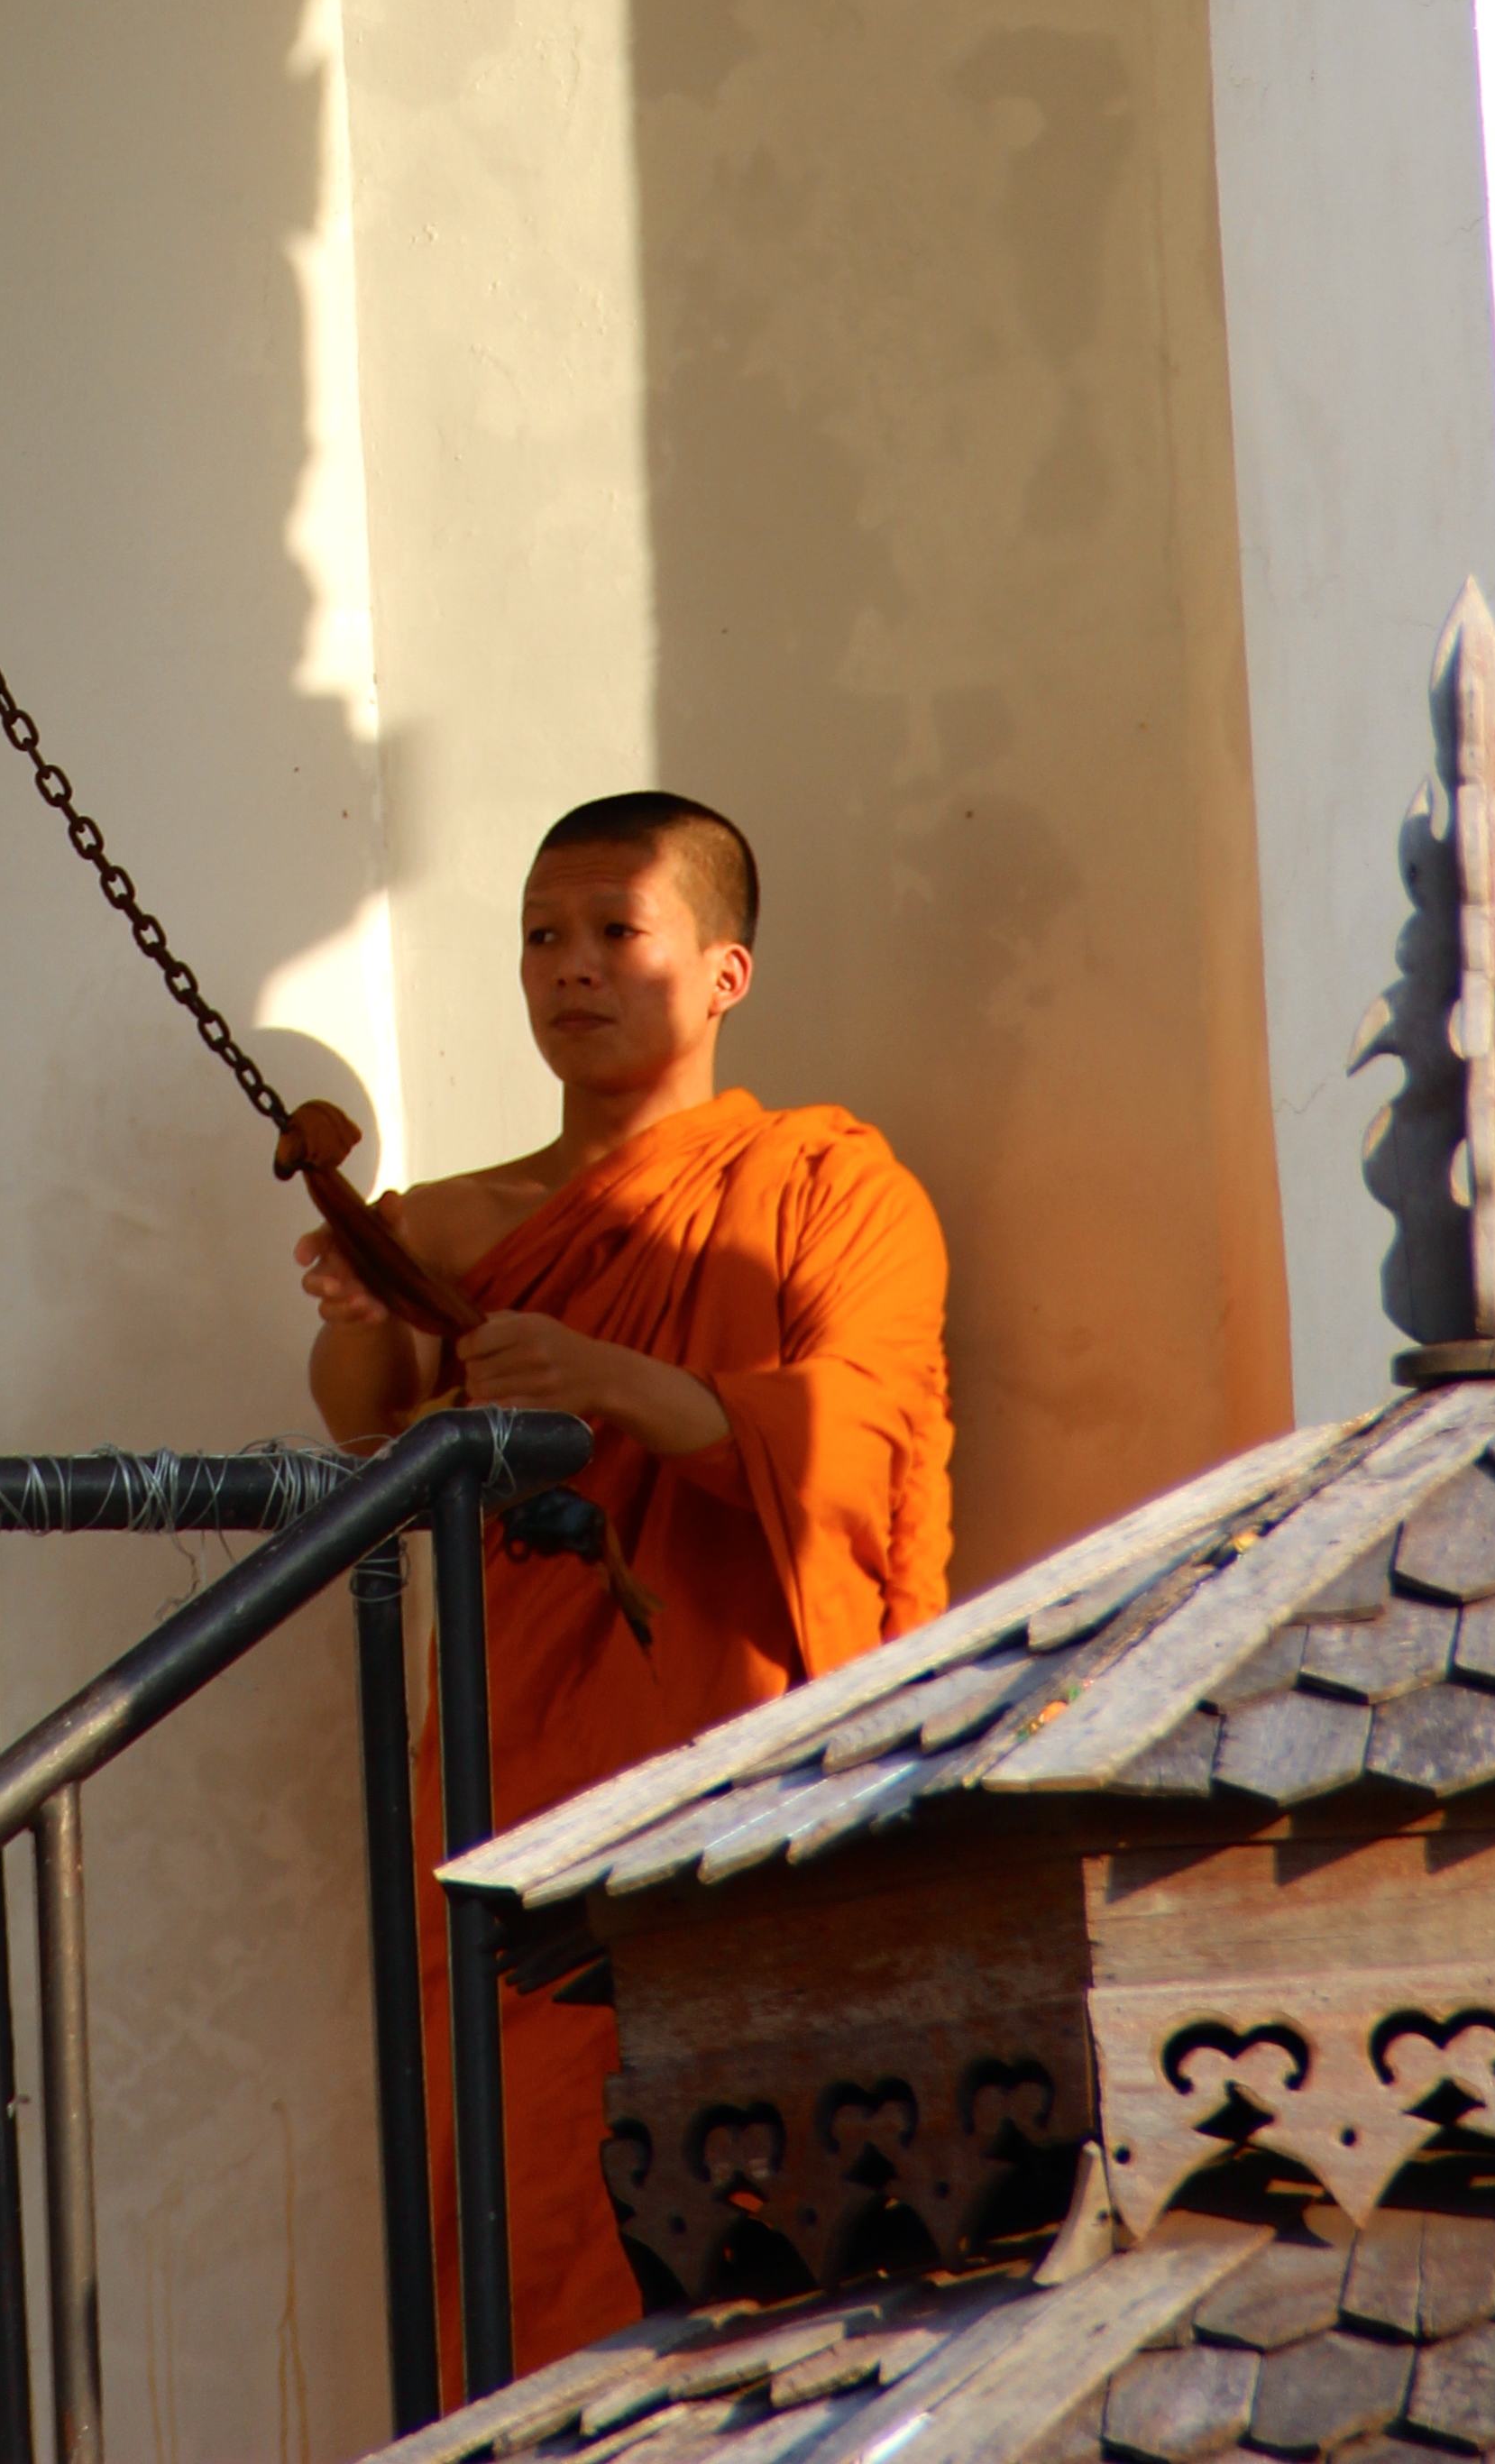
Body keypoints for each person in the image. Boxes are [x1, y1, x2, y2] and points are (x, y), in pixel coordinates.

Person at [301, 789, 950, 2379]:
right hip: (521, 1756)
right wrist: (357, 1310)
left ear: (725, 974)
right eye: (542, 935)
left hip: (745, 1750)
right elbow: (366, 1424)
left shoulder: (830, 1185)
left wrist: (613, 1381)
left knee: (760, 2185)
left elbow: (862, 1439)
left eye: (615, 932)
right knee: (527, 2166)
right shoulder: (448, 1222)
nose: (570, 967)